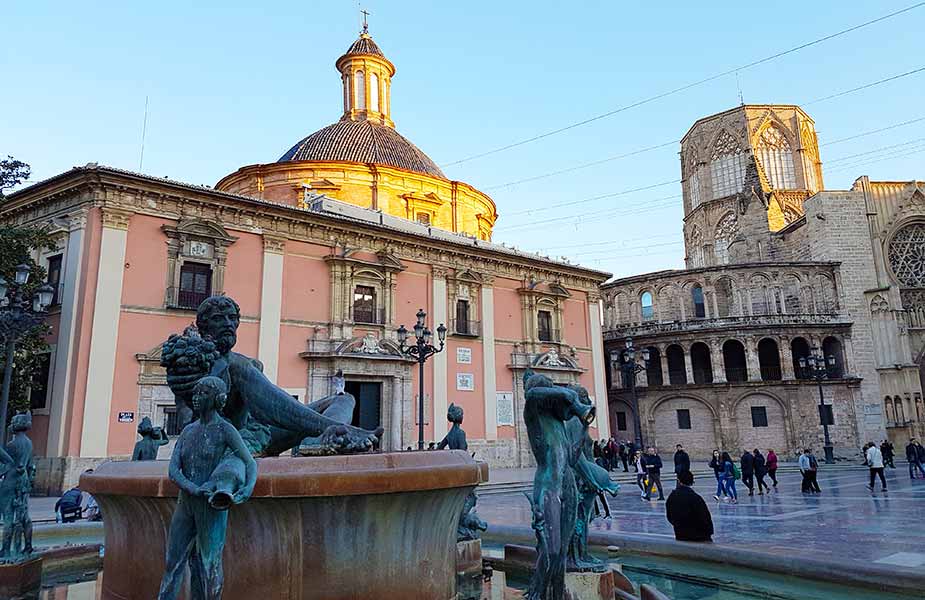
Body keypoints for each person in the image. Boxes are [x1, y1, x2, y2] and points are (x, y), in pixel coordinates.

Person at [157, 377, 257, 600]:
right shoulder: (188, 431)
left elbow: (249, 462)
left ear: (217, 400)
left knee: (209, 566)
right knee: (172, 563)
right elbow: (173, 470)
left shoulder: (225, 430)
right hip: (187, 503)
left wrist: (248, 486)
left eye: (202, 393)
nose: (196, 397)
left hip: (211, 506)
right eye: (196, 392)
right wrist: (192, 488)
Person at [666, 470, 714, 542]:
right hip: (699, 536)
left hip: (680, 534)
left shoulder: (672, 496)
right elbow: (705, 518)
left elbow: (669, 516)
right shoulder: (695, 498)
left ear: (678, 481)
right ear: (691, 482)